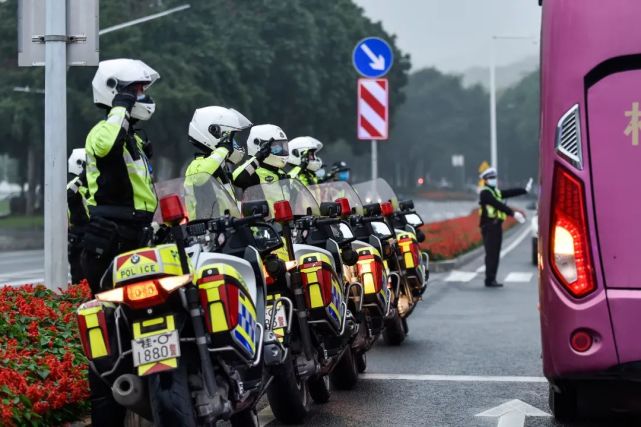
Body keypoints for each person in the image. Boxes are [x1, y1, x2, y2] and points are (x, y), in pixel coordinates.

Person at [80, 58, 159, 427]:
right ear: (117, 92)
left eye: (142, 89)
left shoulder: (134, 139)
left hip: (139, 236)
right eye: (137, 90)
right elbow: (107, 145)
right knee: (109, 333)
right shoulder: (101, 131)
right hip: (108, 241)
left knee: (155, 315)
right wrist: (119, 108)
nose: (144, 96)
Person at [184, 106, 252, 216]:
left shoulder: (221, 168)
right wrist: (223, 149)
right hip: (206, 232)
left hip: (226, 231)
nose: (233, 144)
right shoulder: (196, 166)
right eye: (231, 139)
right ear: (215, 133)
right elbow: (201, 177)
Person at [478, 167, 531, 288]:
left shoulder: (495, 191)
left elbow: (509, 192)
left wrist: (524, 190)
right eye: (491, 178)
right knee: (491, 254)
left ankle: (492, 278)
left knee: (495, 254)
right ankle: (489, 279)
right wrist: (513, 213)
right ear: (485, 180)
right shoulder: (485, 193)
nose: (493, 180)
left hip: (496, 226)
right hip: (489, 226)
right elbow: (498, 204)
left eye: (494, 177)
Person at [232, 124, 289, 190]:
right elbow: (236, 179)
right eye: (275, 147)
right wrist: (259, 156)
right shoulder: (252, 171)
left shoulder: (281, 173)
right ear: (260, 146)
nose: (281, 150)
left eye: (282, 146)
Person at [67, 148, 89, 284]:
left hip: (76, 236)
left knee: (79, 278)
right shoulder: (77, 186)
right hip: (82, 236)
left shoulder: (72, 185)